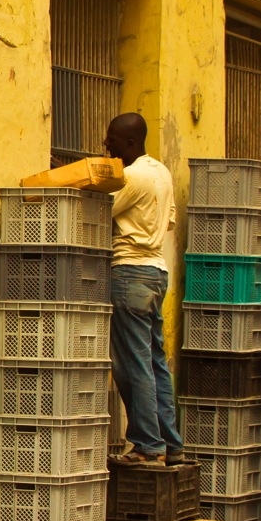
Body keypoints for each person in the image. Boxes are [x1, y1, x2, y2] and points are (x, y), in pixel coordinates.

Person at [104, 113, 185, 466]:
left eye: (112, 140)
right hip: (156, 272)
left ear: (130, 142)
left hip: (129, 273)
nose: (107, 146)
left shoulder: (132, 176)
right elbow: (169, 220)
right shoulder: (162, 173)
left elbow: (101, 210)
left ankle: (146, 445)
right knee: (155, 362)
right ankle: (171, 443)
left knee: (133, 364)